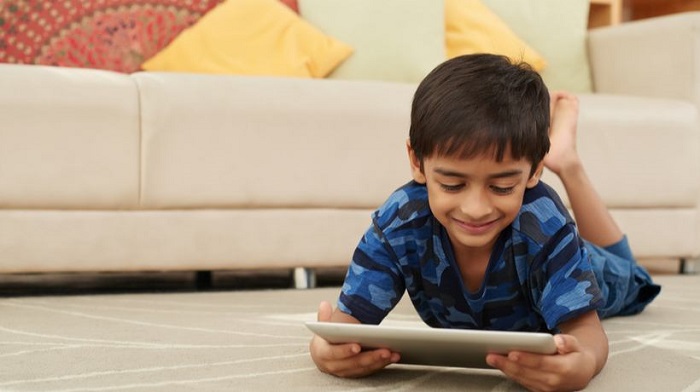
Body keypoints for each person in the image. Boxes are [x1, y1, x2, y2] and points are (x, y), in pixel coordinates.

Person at [309, 54, 660, 392]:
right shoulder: (400, 222)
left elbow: (586, 333)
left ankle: (566, 161)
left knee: (633, 274)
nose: (475, 209)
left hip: (580, 262)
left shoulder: (545, 225)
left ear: (535, 170)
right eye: (452, 184)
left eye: (502, 186)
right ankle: (558, 157)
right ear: (417, 161)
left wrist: (583, 363)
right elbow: (346, 326)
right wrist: (326, 350)